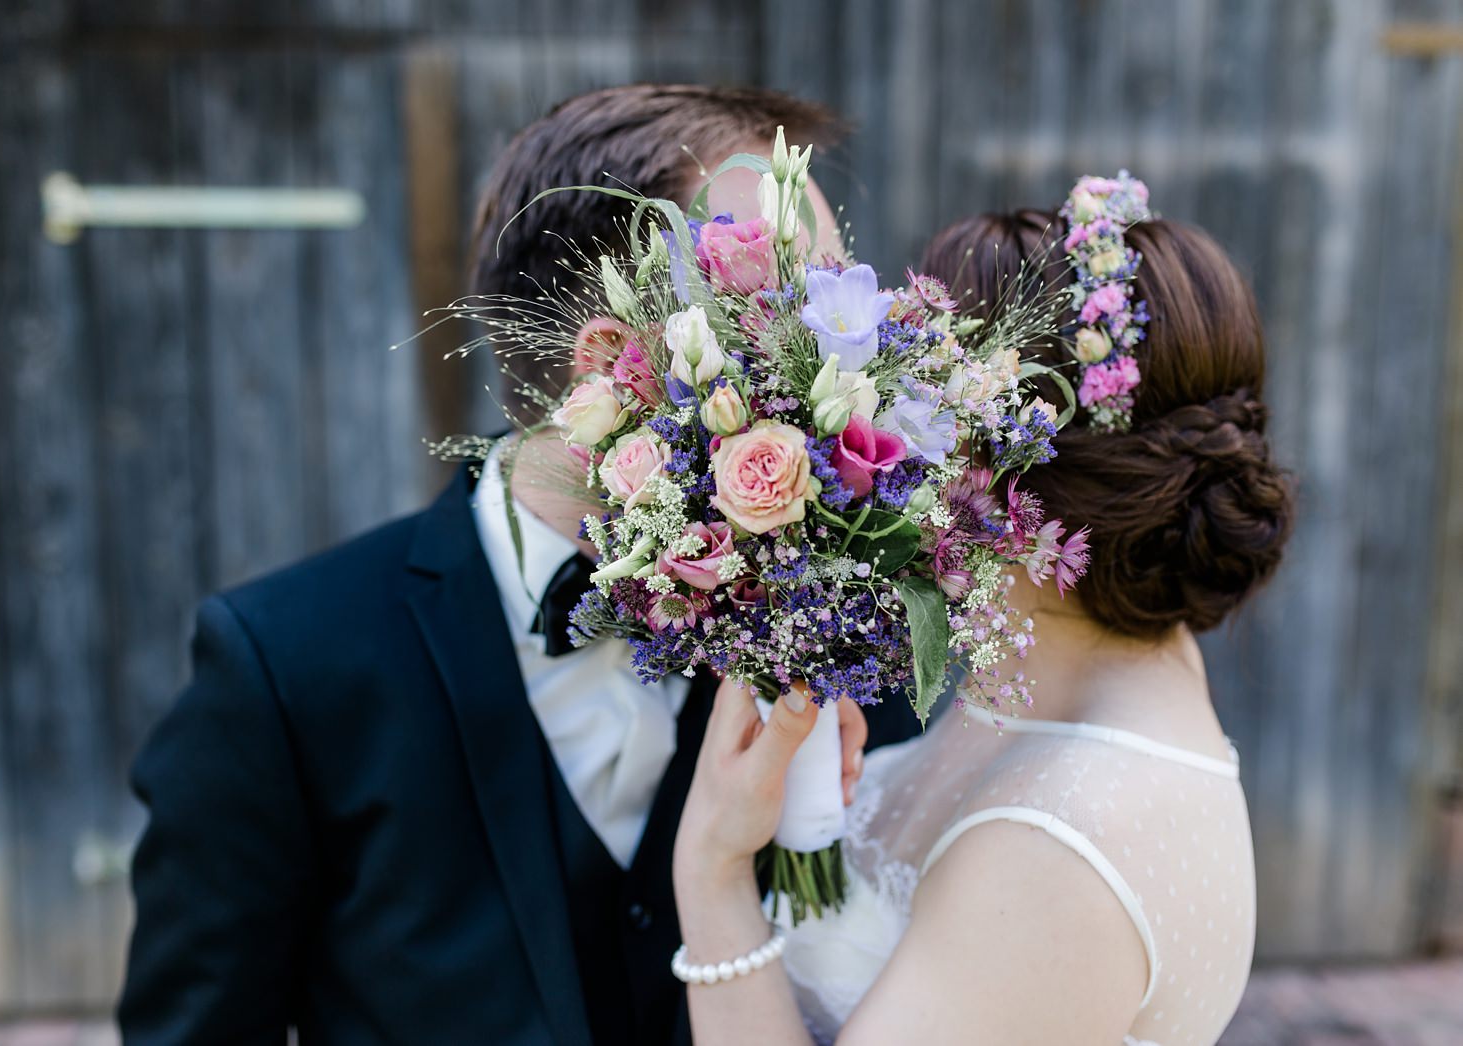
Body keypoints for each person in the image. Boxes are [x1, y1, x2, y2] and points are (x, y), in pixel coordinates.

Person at [118, 84, 920, 1046]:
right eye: (798, 318)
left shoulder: (851, 646)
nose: (857, 366)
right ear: (618, 363)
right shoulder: (284, 671)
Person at [667, 188, 1291, 1044]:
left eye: (910, 396)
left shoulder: (1061, 850)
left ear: (1006, 473)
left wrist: (711, 869)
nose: (876, 429)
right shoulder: (1073, 667)